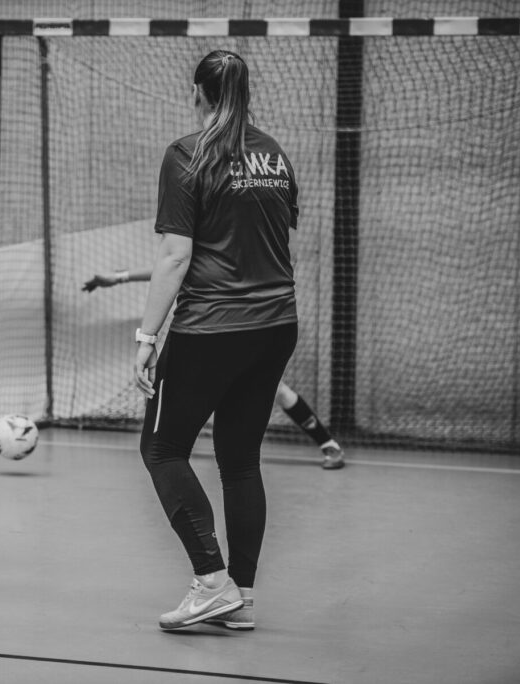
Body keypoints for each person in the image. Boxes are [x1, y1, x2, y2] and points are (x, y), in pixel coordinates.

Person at [133, 50, 298, 631]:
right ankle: (241, 600)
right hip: (276, 325)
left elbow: (176, 255)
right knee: (240, 459)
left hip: (212, 328)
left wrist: (147, 335)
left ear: (198, 93)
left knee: (162, 449)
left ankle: (211, 582)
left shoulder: (188, 154)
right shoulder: (274, 155)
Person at [84, 268, 344, 469]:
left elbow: (173, 263)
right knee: (167, 381)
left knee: (277, 392)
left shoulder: (249, 254)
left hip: (246, 329)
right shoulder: (206, 250)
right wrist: (119, 277)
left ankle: (328, 443)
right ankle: (167, 443)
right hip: (216, 332)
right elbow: (169, 267)